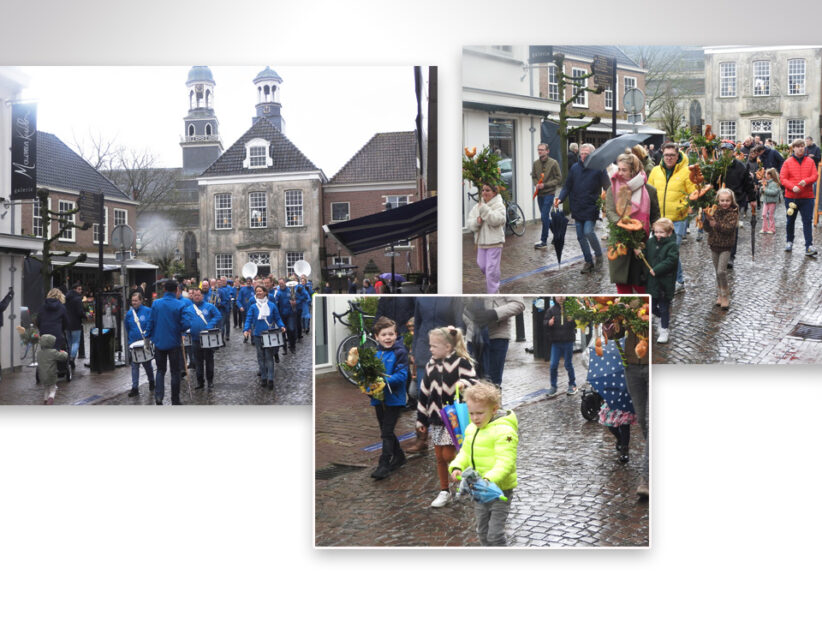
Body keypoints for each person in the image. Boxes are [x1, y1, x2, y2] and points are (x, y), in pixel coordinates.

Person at [448, 381, 518, 547]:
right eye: (471, 413)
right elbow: (465, 452)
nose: (474, 418)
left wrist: (488, 478)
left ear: (494, 410)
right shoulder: (472, 429)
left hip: (500, 489)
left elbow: (505, 462)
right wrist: (457, 466)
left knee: (495, 535)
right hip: (479, 489)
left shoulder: (505, 431)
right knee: (482, 531)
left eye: (479, 413)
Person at [416, 326, 477, 507]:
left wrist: (463, 383)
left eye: (434, 346)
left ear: (448, 347)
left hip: (454, 419)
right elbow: (423, 393)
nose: (431, 349)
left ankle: (466, 480)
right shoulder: (430, 365)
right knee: (439, 457)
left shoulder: (461, 362)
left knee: (449, 454)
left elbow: (474, 381)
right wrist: (421, 418)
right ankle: (444, 490)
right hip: (435, 419)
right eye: (430, 345)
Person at [605, 152, 660, 294]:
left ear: (633, 171)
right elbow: (610, 211)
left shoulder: (649, 190)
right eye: (619, 169)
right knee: (622, 282)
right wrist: (621, 224)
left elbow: (655, 216)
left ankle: (646, 311)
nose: (620, 173)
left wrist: (658, 232)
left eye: (624, 170)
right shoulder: (613, 187)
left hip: (642, 241)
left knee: (641, 281)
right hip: (620, 240)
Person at [647, 142, 697, 292]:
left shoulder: (686, 172)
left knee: (671, 251)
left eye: (672, 155)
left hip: (677, 219)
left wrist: (688, 207)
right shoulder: (656, 171)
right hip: (658, 220)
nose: (669, 158)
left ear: (678, 156)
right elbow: (649, 192)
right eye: (666, 155)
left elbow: (694, 192)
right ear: (662, 154)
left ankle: (679, 281)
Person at [554, 143, 608, 274]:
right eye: (582, 153)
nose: (583, 156)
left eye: (586, 154)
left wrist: (605, 197)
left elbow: (607, 186)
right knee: (580, 236)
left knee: (588, 231)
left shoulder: (599, 168)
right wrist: (560, 198)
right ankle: (588, 261)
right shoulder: (574, 168)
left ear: (592, 155)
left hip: (591, 206)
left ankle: (599, 257)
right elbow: (567, 186)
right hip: (577, 206)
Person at [368, 317, 410, 480]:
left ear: (396, 335)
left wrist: (383, 382)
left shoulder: (400, 352)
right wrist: (368, 385)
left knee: (386, 432)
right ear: (377, 336)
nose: (388, 338)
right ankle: (399, 456)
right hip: (378, 399)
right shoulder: (375, 353)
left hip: (394, 399)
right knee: (386, 430)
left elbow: (401, 375)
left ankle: (383, 464)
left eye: (391, 334)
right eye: (384, 334)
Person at [145, 279, 186, 405]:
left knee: (160, 371)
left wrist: (147, 337)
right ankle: (175, 399)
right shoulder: (180, 305)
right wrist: (179, 328)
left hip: (159, 342)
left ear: (164, 290)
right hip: (174, 342)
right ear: (176, 290)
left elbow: (150, 321)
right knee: (175, 372)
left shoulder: (156, 303)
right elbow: (186, 324)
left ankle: (159, 397)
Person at [640, 218, 679, 344]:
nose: (658, 235)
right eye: (656, 232)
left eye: (661, 232)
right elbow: (645, 253)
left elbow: (671, 261)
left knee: (663, 307)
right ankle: (660, 318)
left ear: (668, 233)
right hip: (652, 282)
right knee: (651, 306)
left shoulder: (672, 245)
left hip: (664, 283)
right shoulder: (651, 242)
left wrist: (657, 269)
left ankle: (664, 329)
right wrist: (639, 252)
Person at [702, 188, 740, 310]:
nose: (724, 203)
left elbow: (729, 229)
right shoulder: (714, 211)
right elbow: (707, 229)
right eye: (722, 200)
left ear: (731, 201)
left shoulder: (733, 213)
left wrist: (716, 224)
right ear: (718, 200)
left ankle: (725, 296)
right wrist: (707, 221)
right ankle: (719, 294)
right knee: (717, 272)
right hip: (714, 244)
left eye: (727, 200)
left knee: (721, 271)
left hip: (726, 246)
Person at [780, 138, 819, 256]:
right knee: (790, 221)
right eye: (798, 146)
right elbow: (783, 178)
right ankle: (789, 241)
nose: (801, 148)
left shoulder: (810, 161)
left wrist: (806, 181)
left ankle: (809, 246)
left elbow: (815, 175)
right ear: (794, 148)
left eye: (802, 146)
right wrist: (792, 187)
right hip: (791, 197)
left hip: (807, 197)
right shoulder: (787, 162)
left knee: (807, 221)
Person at [466, 183, 506, 294]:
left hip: (494, 243)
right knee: (482, 265)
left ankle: (493, 293)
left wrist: (484, 210)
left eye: (487, 190)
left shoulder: (499, 205)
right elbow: (470, 223)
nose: (484, 193)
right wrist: (476, 222)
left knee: (491, 271)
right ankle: (493, 278)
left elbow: (497, 220)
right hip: (481, 243)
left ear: (494, 192)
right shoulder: (477, 206)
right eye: (483, 190)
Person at [243, 285, 286, 389]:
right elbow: (248, 318)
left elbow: (277, 318)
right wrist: (246, 329)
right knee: (260, 358)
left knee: (269, 357)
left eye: (260, 291)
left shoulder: (272, 305)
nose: (258, 293)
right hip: (257, 335)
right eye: (256, 291)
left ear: (265, 292)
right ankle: (263, 377)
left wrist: (282, 326)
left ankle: (270, 379)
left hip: (269, 335)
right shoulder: (253, 307)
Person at [183, 287, 221, 390]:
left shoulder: (209, 306)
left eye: (198, 295)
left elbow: (218, 316)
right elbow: (185, 322)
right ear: (192, 297)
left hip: (207, 338)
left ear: (202, 296)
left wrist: (210, 325)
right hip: (195, 339)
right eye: (195, 295)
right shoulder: (189, 309)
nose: (197, 297)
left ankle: (210, 381)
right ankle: (200, 382)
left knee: (209, 361)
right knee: (198, 362)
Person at [543, 296, 577, 397]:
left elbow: (577, 324)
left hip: (568, 341)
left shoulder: (571, 309)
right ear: (554, 297)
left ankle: (572, 384)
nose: (561, 297)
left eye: (563, 295)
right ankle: (553, 386)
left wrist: (572, 320)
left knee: (568, 364)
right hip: (556, 342)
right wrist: (549, 323)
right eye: (558, 295)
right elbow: (544, 322)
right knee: (553, 365)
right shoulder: (551, 310)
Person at [124, 290, 155, 397]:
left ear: (141, 301)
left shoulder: (148, 311)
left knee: (147, 365)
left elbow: (151, 324)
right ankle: (135, 387)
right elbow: (127, 327)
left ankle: (151, 381)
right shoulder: (129, 314)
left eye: (136, 301)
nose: (134, 303)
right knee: (134, 366)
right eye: (133, 301)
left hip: (144, 342)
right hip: (134, 343)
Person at [531, 142, 562, 249]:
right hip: (540, 194)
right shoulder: (535, 163)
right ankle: (558, 235)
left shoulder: (553, 163)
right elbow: (534, 176)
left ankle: (543, 241)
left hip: (549, 193)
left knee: (544, 216)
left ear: (547, 151)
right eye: (538, 149)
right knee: (545, 218)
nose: (540, 151)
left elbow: (558, 178)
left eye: (542, 149)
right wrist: (537, 184)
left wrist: (545, 185)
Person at [36, 334, 68, 405]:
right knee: (53, 390)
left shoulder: (39, 353)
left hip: (42, 375)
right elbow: (63, 357)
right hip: (51, 375)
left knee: (46, 389)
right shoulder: (53, 352)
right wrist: (64, 352)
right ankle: (50, 402)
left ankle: (45, 402)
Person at [36, 288, 69, 353]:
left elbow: (38, 321)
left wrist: (42, 329)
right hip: (57, 333)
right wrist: (61, 329)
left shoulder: (42, 307)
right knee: (57, 354)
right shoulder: (62, 307)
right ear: (60, 296)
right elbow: (66, 322)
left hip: (44, 334)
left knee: (46, 354)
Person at [64, 282, 86, 370]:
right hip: (76, 323)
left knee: (69, 342)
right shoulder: (77, 299)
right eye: (79, 289)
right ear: (75, 289)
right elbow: (80, 312)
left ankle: (68, 357)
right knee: (76, 342)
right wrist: (85, 316)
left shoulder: (66, 298)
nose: (80, 291)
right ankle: (72, 358)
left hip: (67, 323)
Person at [760, 168, 781, 235]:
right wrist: (762, 188)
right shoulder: (766, 182)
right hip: (765, 201)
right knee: (764, 214)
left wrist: (765, 190)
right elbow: (762, 191)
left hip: (772, 202)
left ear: (770, 175)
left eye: (766, 174)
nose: (765, 175)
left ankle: (772, 229)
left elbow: (774, 192)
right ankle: (764, 228)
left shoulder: (775, 184)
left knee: (770, 215)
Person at [237, 278, 255, 343]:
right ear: (246, 282)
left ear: (251, 282)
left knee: (253, 324)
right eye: (247, 281)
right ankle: (246, 337)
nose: (248, 282)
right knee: (245, 324)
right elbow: (238, 300)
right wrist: (240, 307)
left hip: (253, 310)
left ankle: (253, 338)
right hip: (244, 310)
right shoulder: (242, 290)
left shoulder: (254, 289)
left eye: (250, 281)